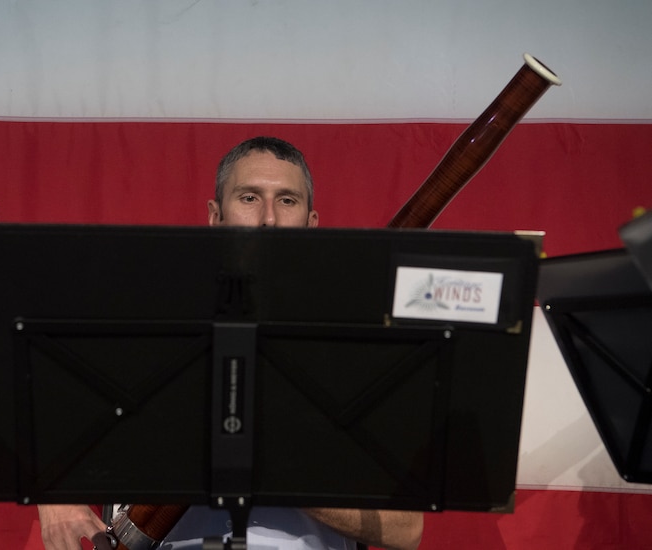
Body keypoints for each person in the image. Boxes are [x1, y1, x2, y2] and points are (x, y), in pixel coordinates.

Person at [38, 137, 424, 550]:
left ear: (312, 225)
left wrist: (259, 463)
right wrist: (57, 500)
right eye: (249, 197)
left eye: (288, 201)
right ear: (215, 216)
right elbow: (49, 418)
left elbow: (406, 530)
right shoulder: (144, 324)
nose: (269, 219)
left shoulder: (361, 350)